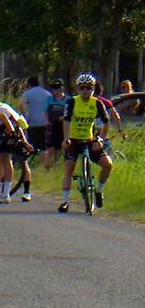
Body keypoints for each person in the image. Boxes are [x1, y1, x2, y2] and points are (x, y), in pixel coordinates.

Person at [57, 73, 113, 213]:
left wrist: (100, 139)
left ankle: (98, 191)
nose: (85, 91)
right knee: (69, 167)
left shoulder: (97, 103)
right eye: (82, 88)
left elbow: (106, 122)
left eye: (88, 88)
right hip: (74, 140)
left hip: (89, 140)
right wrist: (66, 139)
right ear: (77, 89)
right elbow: (67, 121)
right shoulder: (72, 102)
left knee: (108, 164)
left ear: (93, 89)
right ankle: (65, 201)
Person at [18, 76, 51, 165]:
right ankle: (43, 167)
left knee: (29, 145)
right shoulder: (47, 94)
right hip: (44, 123)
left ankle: (26, 165)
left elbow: (21, 104)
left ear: (29, 84)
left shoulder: (27, 93)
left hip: (32, 123)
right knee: (43, 147)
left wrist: (25, 117)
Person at [43, 78, 69, 168]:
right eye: (53, 88)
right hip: (52, 125)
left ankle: (55, 165)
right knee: (50, 148)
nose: (54, 91)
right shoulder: (49, 99)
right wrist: (46, 121)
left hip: (63, 126)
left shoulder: (68, 99)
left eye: (56, 88)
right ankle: (46, 166)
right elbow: (45, 112)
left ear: (61, 89)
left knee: (59, 148)